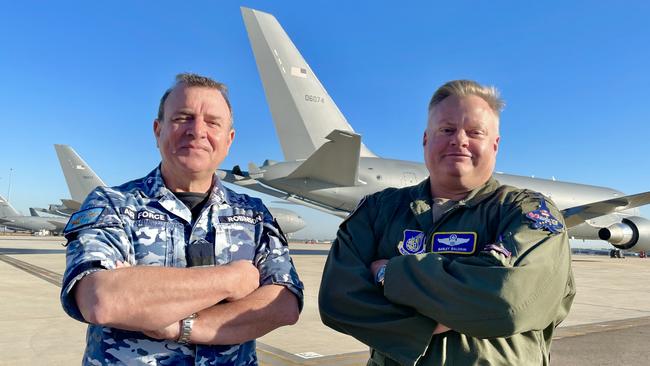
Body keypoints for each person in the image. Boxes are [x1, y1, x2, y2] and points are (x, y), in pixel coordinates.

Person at [319, 80, 575, 365]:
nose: (460, 140)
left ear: (495, 144)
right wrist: (446, 312)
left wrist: (388, 274)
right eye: (447, 130)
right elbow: (338, 299)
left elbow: (508, 301)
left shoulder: (527, 211)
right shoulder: (379, 209)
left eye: (475, 132)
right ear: (426, 139)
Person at [60, 73, 304, 365]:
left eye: (212, 122)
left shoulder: (254, 214)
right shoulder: (112, 204)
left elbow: (284, 305)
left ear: (229, 140)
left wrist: (178, 326)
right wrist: (232, 279)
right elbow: (101, 300)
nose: (197, 130)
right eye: (183, 118)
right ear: (157, 130)